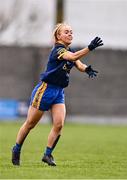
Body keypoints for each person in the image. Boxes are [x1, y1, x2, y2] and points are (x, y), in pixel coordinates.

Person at [12, 23, 103, 166]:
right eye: (66, 32)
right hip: (45, 90)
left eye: (71, 32)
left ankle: (47, 155)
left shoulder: (69, 50)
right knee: (30, 124)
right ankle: (16, 149)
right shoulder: (58, 50)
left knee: (59, 124)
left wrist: (86, 69)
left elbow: (78, 63)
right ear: (58, 36)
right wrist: (89, 48)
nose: (70, 34)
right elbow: (72, 57)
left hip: (59, 92)